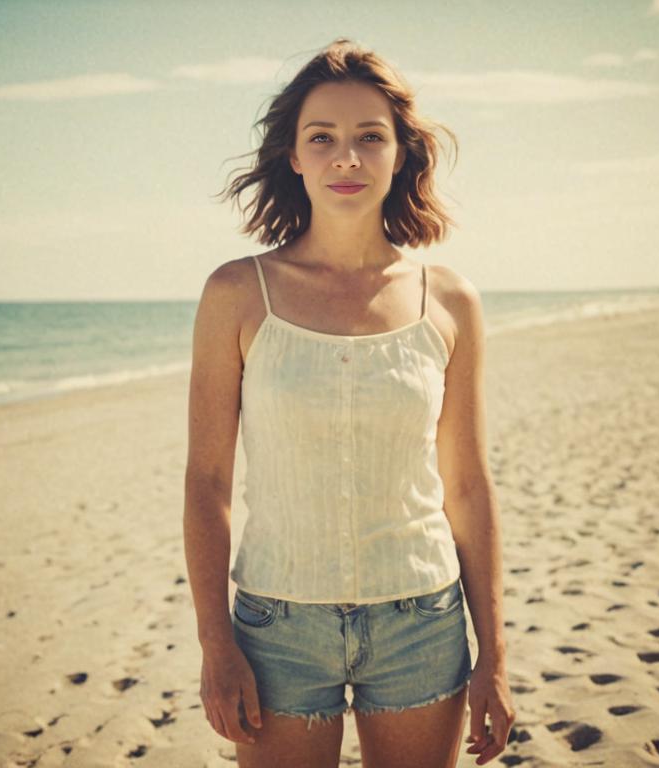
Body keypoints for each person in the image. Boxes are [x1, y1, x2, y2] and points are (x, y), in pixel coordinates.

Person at [183, 38, 515, 768]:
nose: (347, 158)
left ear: (401, 154)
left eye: (370, 137)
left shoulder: (449, 299)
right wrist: (216, 642)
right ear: (294, 156)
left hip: (421, 619)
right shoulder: (237, 294)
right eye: (322, 138)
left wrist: (494, 652)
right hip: (275, 627)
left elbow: (467, 484)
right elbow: (207, 483)